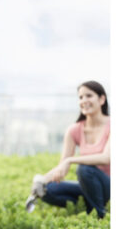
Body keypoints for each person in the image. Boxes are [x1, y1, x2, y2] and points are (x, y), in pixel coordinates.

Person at [28, 81, 110, 218]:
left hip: (111, 185)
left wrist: (71, 160)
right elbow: (62, 168)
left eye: (89, 96)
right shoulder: (74, 130)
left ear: (102, 99)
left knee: (85, 169)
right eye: (81, 97)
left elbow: (106, 158)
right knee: (47, 190)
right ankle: (92, 208)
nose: (84, 101)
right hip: (91, 189)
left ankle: (100, 215)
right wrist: (41, 181)